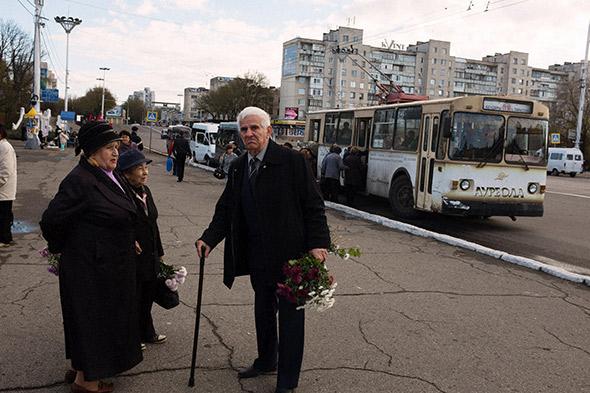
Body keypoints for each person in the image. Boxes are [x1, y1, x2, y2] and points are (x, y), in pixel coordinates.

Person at [196, 107, 330, 393]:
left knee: (291, 318)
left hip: (291, 256)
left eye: (255, 128)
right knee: (263, 310)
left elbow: (313, 205)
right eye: (244, 129)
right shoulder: (239, 166)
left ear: (269, 130)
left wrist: (318, 244)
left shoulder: (292, 161)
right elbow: (226, 209)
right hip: (257, 255)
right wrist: (209, 238)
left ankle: (287, 380)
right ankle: (267, 360)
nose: (249, 134)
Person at [40, 121, 142, 393]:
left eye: (117, 147)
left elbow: (116, 212)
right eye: (109, 148)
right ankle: (87, 383)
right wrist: (72, 248)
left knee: (96, 321)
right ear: (91, 151)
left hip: (108, 264)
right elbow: (50, 221)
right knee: (92, 321)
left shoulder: (109, 174)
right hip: (90, 269)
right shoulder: (80, 180)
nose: (115, 152)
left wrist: (126, 238)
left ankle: (82, 370)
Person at [118, 150, 167, 347]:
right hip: (132, 256)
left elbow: (153, 224)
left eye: (146, 167)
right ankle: (131, 338)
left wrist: (160, 252)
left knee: (147, 295)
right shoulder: (121, 194)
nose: (145, 172)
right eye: (139, 168)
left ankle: (147, 332)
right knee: (133, 297)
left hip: (150, 254)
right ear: (127, 173)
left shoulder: (145, 191)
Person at [0, 124, 17, 247]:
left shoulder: (5, 147)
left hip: (4, 189)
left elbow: (6, 170)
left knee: (3, 214)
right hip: (3, 188)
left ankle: (4, 238)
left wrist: (1, 181)